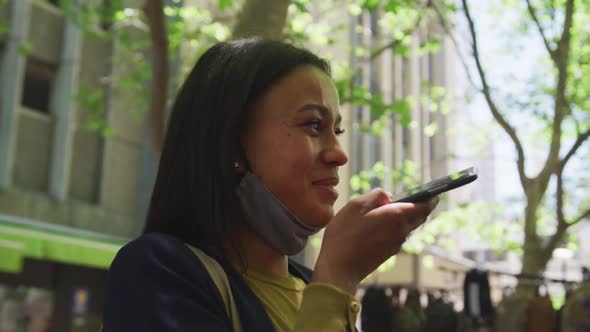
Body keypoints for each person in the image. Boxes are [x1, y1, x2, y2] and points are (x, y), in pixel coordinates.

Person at [102, 38, 438, 332]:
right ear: (232, 144)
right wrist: (338, 276)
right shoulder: (156, 271)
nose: (339, 154)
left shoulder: (312, 285)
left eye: (337, 131)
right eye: (313, 125)